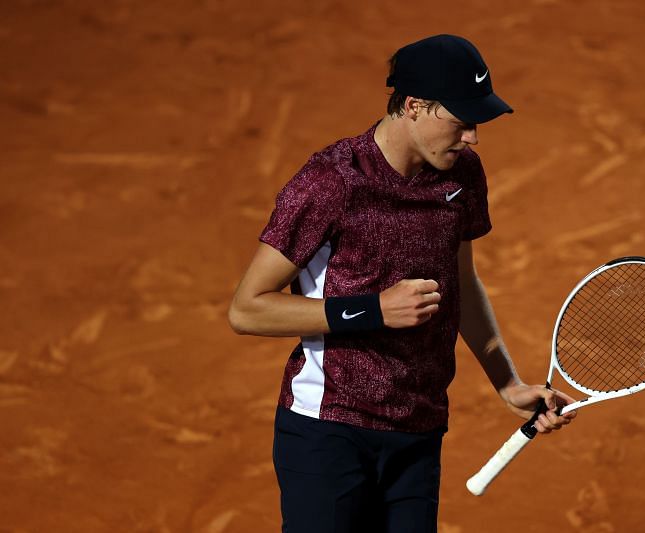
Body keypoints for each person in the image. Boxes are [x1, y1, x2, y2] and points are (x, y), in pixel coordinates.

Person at [228, 34, 577, 533]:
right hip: (329, 431)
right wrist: (373, 309)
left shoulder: (462, 175)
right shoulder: (332, 182)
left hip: (419, 429)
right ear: (414, 106)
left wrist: (508, 383)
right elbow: (247, 309)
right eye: (462, 121)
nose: (473, 137)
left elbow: (462, 281)